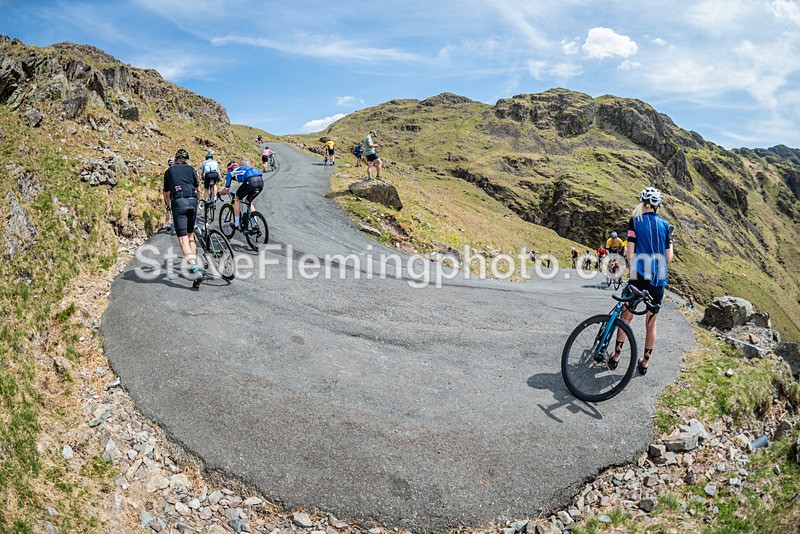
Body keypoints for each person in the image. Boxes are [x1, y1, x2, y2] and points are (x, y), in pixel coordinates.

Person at [609, 187, 674, 375]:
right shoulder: (666, 226)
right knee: (651, 324)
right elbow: (668, 259)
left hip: (638, 276)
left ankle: (615, 357)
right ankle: (644, 363)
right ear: (658, 206)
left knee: (626, 317)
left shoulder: (634, 222)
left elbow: (630, 255)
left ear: (643, 204)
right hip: (659, 278)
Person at [163, 149, 202, 287]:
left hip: (179, 203)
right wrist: (197, 201)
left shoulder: (169, 171)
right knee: (191, 236)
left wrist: (168, 206)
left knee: (182, 239)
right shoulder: (192, 170)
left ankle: (195, 270)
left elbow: (166, 193)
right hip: (192, 201)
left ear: (176, 159)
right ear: (187, 159)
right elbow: (198, 189)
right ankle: (194, 262)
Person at [220, 161, 264, 231]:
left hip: (250, 181)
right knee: (248, 201)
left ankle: (237, 224)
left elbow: (226, 190)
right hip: (260, 181)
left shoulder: (231, 173)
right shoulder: (242, 168)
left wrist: (219, 194)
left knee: (237, 199)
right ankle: (254, 224)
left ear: (229, 169)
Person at [161, 157, 175, 230]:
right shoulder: (176, 170)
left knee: (168, 206)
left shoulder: (166, 170)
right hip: (175, 189)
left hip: (168, 189)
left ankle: (168, 222)